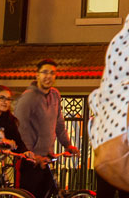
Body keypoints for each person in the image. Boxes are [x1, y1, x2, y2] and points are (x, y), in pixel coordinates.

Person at [13, 59, 79, 198]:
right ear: (37, 75)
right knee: (28, 195)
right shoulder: (28, 98)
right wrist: (31, 154)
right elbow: (20, 127)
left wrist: (67, 145)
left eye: (52, 73)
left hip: (46, 158)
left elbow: (59, 124)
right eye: (44, 72)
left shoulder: (55, 95)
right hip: (29, 160)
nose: (48, 76)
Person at [0, 86, 32, 186]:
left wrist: (25, 151)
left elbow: (17, 141)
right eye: (2, 98)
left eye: (8, 99)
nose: (5, 102)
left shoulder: (9, 121)